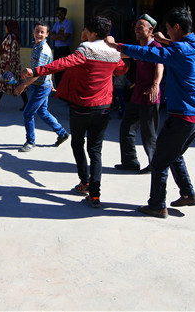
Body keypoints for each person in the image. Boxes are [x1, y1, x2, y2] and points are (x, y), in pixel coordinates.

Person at [108, 7, 195, 219]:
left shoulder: (177, 50)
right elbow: (179, 47)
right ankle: (188, 194)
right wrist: (165, 40)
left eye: (169, 29)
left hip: (182, 118)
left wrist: (116, 46)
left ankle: (157, 205)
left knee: (160, 162)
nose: (167, 32)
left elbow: (149, 53)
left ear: (177, 27)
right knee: (175, 155)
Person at [23, 16, 128, 209]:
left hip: (81, 107)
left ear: (92, 33)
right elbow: (121, 70)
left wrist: (36, 71)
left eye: (86, 30)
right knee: (95, 151)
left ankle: (84, 183)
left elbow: (63, 63)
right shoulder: (113, 54)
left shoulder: (86, 49)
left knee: (78, 144)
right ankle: (95, 196)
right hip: (103, 108)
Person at [115, 14, 164, 173]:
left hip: (150, 96)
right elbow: (123, 54)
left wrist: (156, 83)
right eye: (135, 27)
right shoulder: (139, 47)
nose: (136, 30)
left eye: (140, 27)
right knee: (126, 128)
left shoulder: (155, 46)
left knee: (149, 134)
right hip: (137, 95)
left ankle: (154, 166)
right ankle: (130, 162)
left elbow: (160, 66)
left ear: (150, 30)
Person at [13, 21, 69, 152]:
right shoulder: (37, 46)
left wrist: (23, 86)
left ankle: (30, 142)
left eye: (42, 32)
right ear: (33, 32)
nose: (39, 34)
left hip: (41, 87)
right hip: (42, 84)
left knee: (28, 113)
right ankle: (62, 133)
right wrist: (51, 81)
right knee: (42, 112)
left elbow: (38, 73)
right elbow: (48, 67)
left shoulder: (43, 50)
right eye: (37, 31)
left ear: (47, 34)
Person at [0, 19, 28, 111]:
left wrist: (8, 65)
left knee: (2, 83)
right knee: (15, 83)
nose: (5, 28)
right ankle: (26, 102)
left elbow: (10, 51)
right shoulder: (15, 36)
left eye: (6, 26)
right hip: (15, 65)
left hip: (9, 66)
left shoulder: (10, 37)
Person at [49, 6, 73, 87]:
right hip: (57, 49)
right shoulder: (56, 24)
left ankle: (64, 88)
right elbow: (50, 35)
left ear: (65, 13)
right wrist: (59, 36)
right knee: (56, 68)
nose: (59, 15)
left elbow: (64, 38)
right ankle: (58, 88)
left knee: (64, 69)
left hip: (64, 50)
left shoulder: (68, 23)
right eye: (58, 13)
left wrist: (56, 36)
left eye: (61, 13)